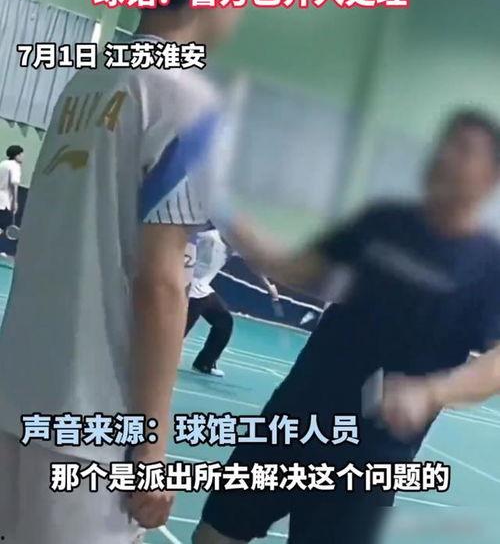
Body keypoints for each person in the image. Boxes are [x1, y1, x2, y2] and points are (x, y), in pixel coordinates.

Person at [0, 0, 240, 543]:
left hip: (16, 394)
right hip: (91, 422)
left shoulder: (87, 80)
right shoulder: (189, 101)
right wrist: (151, 450)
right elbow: (162, 283)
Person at [193, 109, 500, 544]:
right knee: (213, 536)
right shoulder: (383, 221)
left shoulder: (488, 266)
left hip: (370, 456)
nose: (445, 155)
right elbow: (301, 270)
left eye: (464, 150)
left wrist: (432, 392)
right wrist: (222, 209)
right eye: (445, 143)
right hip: (295, 418)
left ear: (490, 177)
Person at [185, 227, 280, 377]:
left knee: (224, 322)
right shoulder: (208, 237)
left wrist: (268, 286)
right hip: (189, 289)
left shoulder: (236, 245)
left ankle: (204, 363)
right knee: (179, 331)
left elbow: (253, 264)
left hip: (203, 289)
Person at [0, 144, 23, 232]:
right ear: (16, 155)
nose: (22, 157)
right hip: (4, 202)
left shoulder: (3, 163)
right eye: (21, 155)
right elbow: (14, 185)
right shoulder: (15, 166)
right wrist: (15, 202)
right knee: (2, 226)